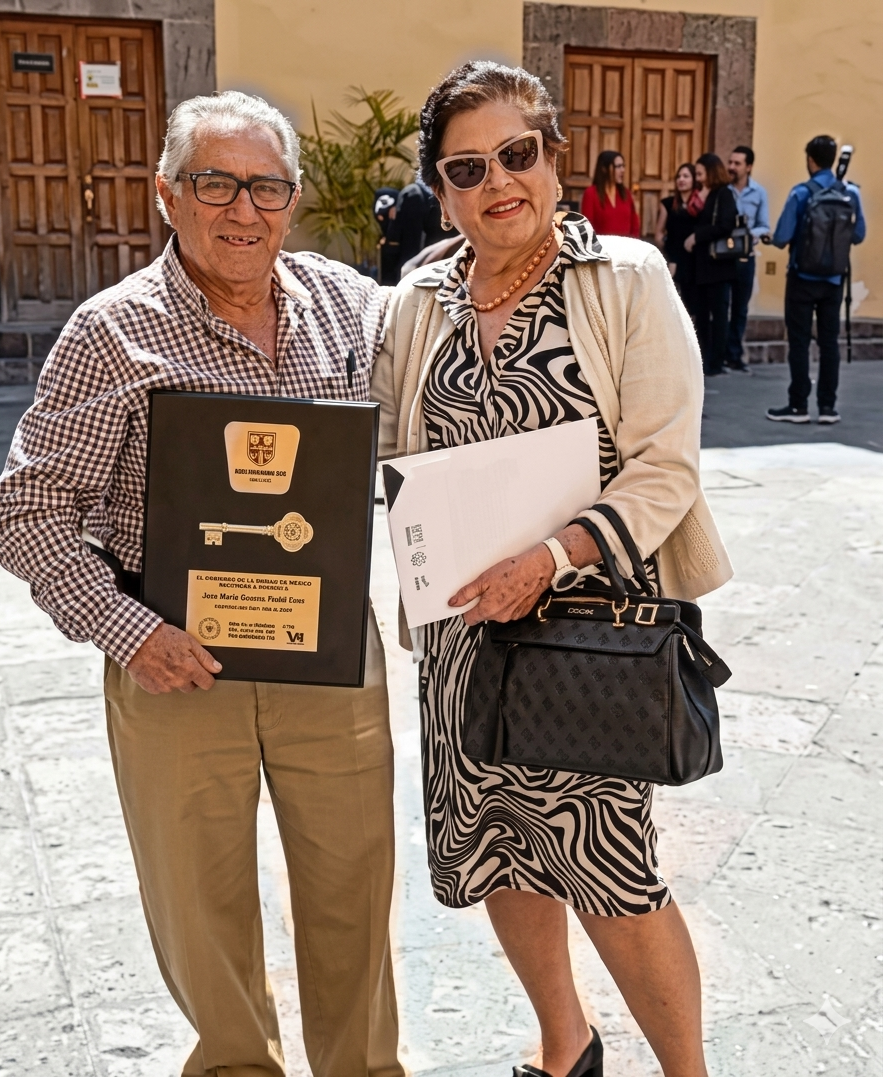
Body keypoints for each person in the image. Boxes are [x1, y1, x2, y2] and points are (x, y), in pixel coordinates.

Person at [0, 91, 403, 1077]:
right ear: (167, 195)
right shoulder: (111, 331)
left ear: (292, 200)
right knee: (198, 900)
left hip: (328, 657)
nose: (244, 210)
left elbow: (459, 329)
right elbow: (25, 511)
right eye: (216, 183)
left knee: (354, 887)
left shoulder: (349, 307)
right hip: (177, 662)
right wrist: (127, 629)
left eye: (267, 187)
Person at [371, 61, 732, 1077]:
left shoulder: (624, 279)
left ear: (553, 156)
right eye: (467, 168)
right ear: (440, 190)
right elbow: (391, 449)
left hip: (592, 627)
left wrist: (553, 553)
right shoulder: (416, 302)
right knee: (497, 846)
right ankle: (566, 1043)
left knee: (612, 869)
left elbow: (666, 466)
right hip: (464, 630)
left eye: (516, 153)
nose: (498, 181)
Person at [766, 134, 866, 424]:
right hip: (834, 279)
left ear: (810, 159)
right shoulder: (850, 193)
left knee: (799, 342)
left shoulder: (801, 193)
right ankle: (828, 407)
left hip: (802, 277)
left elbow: (782, 237)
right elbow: (858, 235)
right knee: (829, 343)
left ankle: (798, 405)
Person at [683, 153, 738, 376]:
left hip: (718, 265)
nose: (697, 178)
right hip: (701, 265)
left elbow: (726, 225)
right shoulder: (700, 194)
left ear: (711, 172)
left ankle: (716, 361)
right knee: (702, 314)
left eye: (700, 173)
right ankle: (703, 358)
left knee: (719, 314)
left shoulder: (724, 194)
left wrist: (698, 236)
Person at [725, 146, 770, 372]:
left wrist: (752, 234)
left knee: (740, 307)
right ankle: (718, 353)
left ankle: (734, 354)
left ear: (749, 167)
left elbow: (764, 225)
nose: (732, 167)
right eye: (730, 162)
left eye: (737, 163)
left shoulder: (759, 193)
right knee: (722, 306)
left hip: (745, 256)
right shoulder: (724, 191)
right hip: (723, 257)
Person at [654, 162, 699, 314]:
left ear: (694, 180)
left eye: (686, 176)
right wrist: (668, 252)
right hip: (674, 259)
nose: (681, 179)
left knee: (694, 306)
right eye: (679, 176)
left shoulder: (699, 205)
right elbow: (659, 233)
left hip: (694, 260)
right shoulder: (668, 204)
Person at [387, 178, 448, 276]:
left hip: (415, 265)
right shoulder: (445, 192)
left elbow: (398, 234)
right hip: (440, 263)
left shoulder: (411, 193)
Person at [580, 150, 641, 237]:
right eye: (618, 166)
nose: (623, 170)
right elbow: (587, 228)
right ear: (604, 169)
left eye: (623, 166)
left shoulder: (626, 193)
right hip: (602, 244)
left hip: (626, 244)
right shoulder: (591, 194)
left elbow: (635, 226)